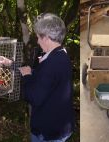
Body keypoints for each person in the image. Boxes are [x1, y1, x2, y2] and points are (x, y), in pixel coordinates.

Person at [18, 13, 74, 142]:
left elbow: (33, 97)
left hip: (49, 132)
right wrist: (33, 71)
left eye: (38, 37)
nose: (37, 41)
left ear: (47, 38)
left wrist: (26, 76)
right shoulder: (61, 54)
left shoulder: (51, 63)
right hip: (59, 125)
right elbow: (48, 81)